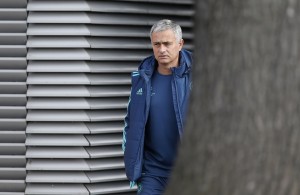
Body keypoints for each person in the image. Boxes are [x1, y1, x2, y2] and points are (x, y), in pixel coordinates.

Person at [122, 19, 193, 195]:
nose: (162, 50)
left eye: (167, 44)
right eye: (157, 44)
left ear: (180, 44)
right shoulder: (142, 80)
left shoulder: (198, 76)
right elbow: (130, 125)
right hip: (153, 173)